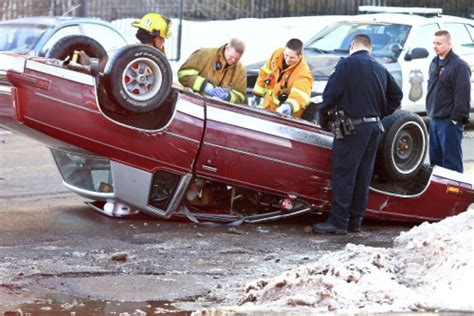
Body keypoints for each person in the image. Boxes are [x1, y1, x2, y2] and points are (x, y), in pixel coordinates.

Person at [313, 34, 402, 235]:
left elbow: (330, 95)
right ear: (369, 48)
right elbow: (396, 96)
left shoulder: (347, 65)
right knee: (363, 176)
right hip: (374, 129)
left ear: (352, 45)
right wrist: (380, 112)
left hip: (351, 128)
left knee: (344, 175)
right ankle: (355, 222)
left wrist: (324, 120)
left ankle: (338, 222)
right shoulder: (380, 68)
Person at [426, 30, 471, 173]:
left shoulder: (459, 66)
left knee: (451, 163)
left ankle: (455, 195)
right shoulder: (434, 63)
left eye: (439, 43)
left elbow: (463, 95)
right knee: (435, 162)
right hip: (434, 119)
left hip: (449, 122)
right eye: (434, 43)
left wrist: (456, 118)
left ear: (449, 44)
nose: (435, 46)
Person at [252, 38, 313, 118]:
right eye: (286, 55)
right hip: (268, 109)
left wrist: (289, 106)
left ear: (300, 55)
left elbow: (300, 96)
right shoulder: (277, 55)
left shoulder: (303, 73)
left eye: (292, 57)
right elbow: (264, 72)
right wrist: (257, 94)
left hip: (286, 117)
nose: (287, 60)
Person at [177, 38, 247, 104]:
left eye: (237, 58)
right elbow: (183, 74)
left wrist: (227, 96)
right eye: (231, 56)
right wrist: (204, 86)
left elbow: (240, 95)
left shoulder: (240, 70)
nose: (233, 60)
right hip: (195, 103)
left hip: (218, 109)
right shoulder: (204, 54)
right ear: (227, 48)